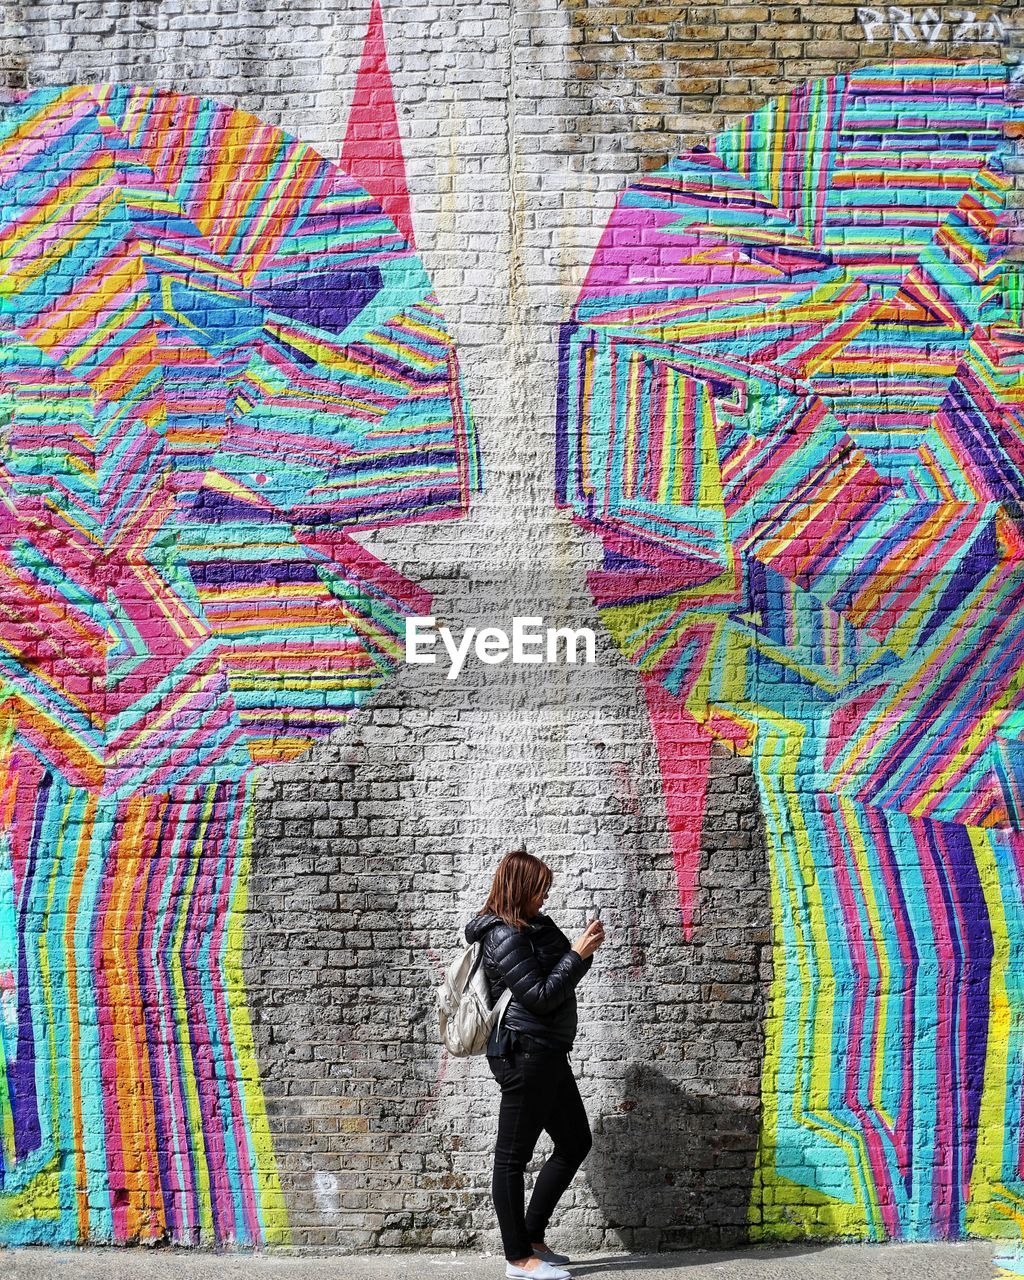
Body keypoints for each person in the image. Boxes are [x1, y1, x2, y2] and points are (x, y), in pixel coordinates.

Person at [466, 849, 606, 1280]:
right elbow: (542, 995)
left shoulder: (534, 926)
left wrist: (580, 952)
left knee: (574, 1141)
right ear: (522, 889)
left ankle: (532, 1237)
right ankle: (518, 1259)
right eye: (540, 888)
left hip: (547, 1052)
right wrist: (578, 955)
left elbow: (561, 974)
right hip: (524, 1052)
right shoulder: (503, 936)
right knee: (511, 1159)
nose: (546, 896)